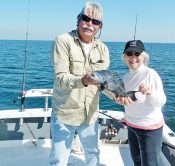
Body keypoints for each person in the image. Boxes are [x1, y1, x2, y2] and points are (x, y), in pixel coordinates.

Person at [50, 2, 109, 166]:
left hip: (90, 114)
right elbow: (61, 77)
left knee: (92, 154)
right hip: (65, 113)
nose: (90, 24)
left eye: (95, 21)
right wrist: (82, 80)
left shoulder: (103, 49)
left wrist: (118, 97)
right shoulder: (63, 41)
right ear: (79, 20)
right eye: (86, 18)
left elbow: (103, 82)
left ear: (99, 27)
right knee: (59, 159)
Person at [116, 40, 166, 166]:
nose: (133, 57)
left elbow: (161, 101)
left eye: (137, 54)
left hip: (150, 130)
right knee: (136, 160)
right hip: (132, 126)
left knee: (150, 163)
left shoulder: (151, 74)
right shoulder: (125, 77)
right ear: (124, 57)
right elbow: (128, 102)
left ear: (143, 56)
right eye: (129, 54)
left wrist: (150, 92)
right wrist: (120, 101)